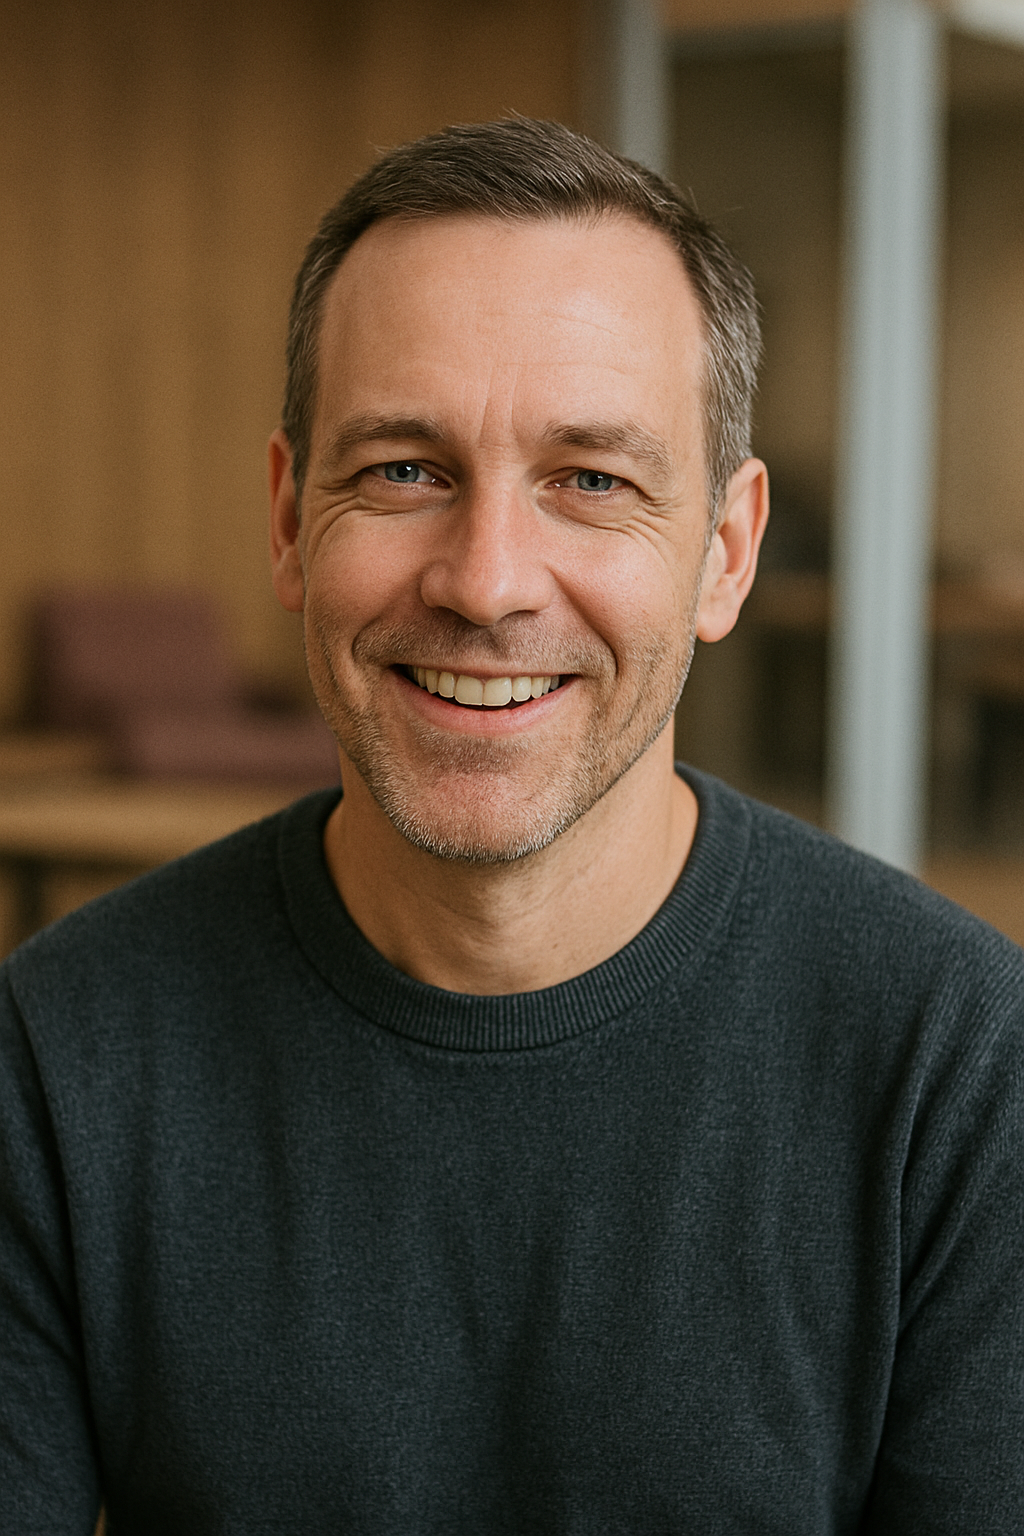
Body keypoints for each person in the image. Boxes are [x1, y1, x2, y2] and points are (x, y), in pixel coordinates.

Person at [1, 118, 1022, 1535]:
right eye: (404, 470)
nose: (486, 582)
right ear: (292, 519)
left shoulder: (954, 1065)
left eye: (591, 480)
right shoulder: (58, 1061)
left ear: (725, 552)